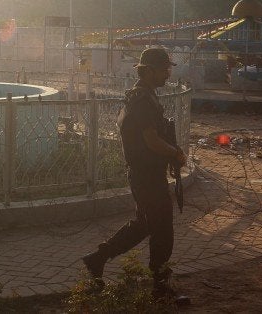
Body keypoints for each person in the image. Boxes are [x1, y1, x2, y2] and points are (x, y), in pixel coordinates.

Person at [81, 48, 187, 298]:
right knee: (162, 228)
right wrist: (175, 154)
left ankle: (98, 258)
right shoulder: (142, 100)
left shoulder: (141, 96)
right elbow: (150, 140)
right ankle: (160, 285)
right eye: (164, 69)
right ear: (148, 71)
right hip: (146, 174)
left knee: (145, 224)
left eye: (169, 69)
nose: (167, 74)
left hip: (145, 173)